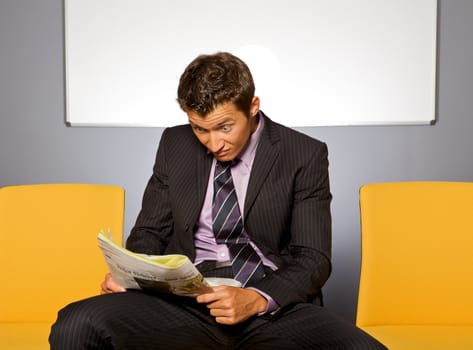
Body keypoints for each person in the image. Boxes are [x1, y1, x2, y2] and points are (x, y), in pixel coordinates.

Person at [50, 52, 386, 349]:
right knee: (76, 323)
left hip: (273, 304)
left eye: (225, 127)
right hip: (184, 300)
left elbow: (313, 258)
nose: (213, 143)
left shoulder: (304, 153)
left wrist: (255, 299)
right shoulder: (174, 144)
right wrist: (130, 274)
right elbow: (149, 232)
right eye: (199, 129)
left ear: (253, 106)